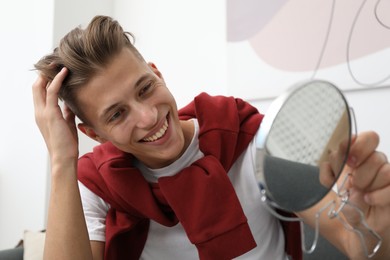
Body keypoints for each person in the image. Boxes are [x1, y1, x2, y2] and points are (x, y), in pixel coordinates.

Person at [32, 15, 390, 260]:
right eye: (117, 114)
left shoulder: (251, 141)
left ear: (157, 73)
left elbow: (358, 245)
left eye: (145, 88)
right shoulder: (96, 183)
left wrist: (376, 225)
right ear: (95, 134)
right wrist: (63, 161)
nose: (148, 116)